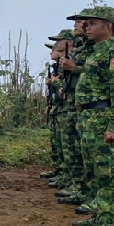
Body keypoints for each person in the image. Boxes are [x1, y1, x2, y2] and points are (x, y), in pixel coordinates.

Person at [70, 6, 114, 226]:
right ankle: (101, 214)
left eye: (92, 24)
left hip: (103, 118)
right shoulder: (96, 50)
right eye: (85, 24)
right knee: (95, 170)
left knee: (109, 172)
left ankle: (110, 220)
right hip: (89, 118)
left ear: (108, 26)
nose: (87, 27)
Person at [57, 8, 98, 211]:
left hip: (91, 109)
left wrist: (74, 69)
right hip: (77, 107)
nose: (78, 26)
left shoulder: (102, 50)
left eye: (82, 23)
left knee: (89, 156)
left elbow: (100, 76)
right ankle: (82, 188)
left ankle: (91, 194)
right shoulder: (83, 48)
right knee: (76, 149)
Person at [44, 29, 74, 190]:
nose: (53, 49)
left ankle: (71, 180)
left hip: (69, 110)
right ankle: (62, 173)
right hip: (60, 109)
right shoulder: (61, 66)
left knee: (70, 148)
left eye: (56, 45)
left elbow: (66, 88)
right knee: (61, 146)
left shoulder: (70, 63)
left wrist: (54, 83)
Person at [41, 40, 65, 179]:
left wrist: (54, 82)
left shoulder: (64, 67)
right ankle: (59, 171)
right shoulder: (57, 67)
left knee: (66, 146)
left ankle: (65, 175)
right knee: (57, 143)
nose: (51, 52)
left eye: (54, 49)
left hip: (65, 109)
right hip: (57, 108)